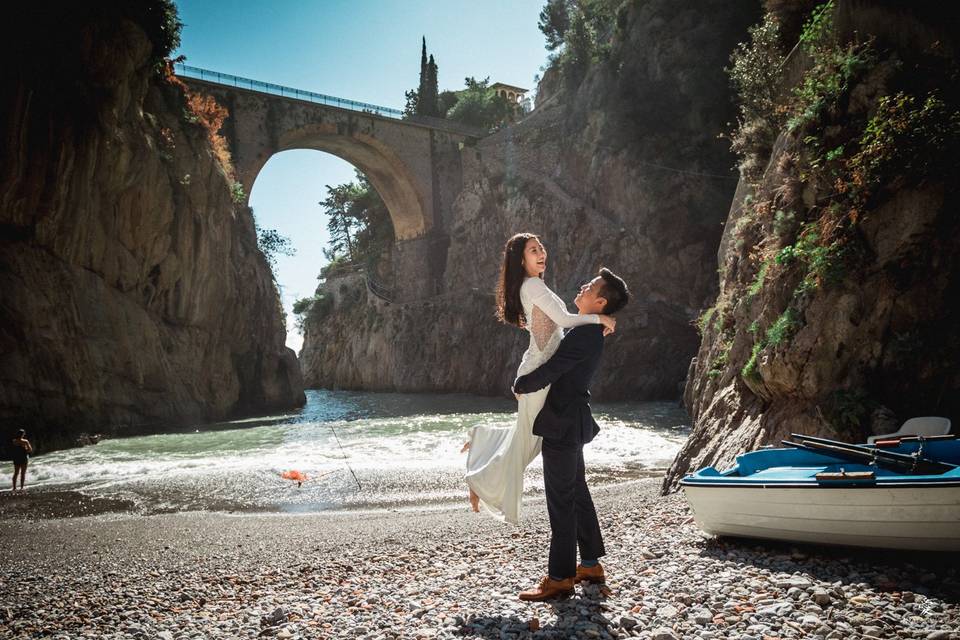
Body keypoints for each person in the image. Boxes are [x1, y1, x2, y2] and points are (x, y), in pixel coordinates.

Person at [463, 233, 616, 525]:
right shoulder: (532, 284)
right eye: (534, 250)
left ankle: (482, 442)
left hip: (540, 371)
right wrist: (601, 319)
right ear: (522, 260)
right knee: (528, 443)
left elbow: (552, 326)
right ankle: (478, 480)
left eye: (542, 247)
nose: (542, 253)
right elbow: (565, 320)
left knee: (528, 440)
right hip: (537, 373)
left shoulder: (533, 285)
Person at [512, 268, 630, 601]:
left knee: (561, 500)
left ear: (600, 301)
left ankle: (560, 577)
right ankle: (590, 564)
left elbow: (555, 368)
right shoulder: (589, 331)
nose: (582, 285)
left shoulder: (586, 335)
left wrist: (521, 384)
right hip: (571, 420)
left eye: (590, 286)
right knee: (576, 493)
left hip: (563, 424)